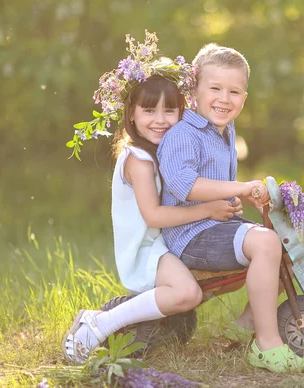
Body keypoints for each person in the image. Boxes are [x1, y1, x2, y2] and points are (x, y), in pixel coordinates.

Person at [62, 33, 240, 364]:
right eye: (149, 111)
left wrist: (225, 205)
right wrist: (208, 209)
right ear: (131, 114)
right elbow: (154, 217)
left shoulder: (162, 152)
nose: (160, 120)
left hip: (167, 240)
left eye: (169, 111)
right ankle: (97, 324)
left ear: (181, 113)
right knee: (187, 293)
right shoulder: (138, 161)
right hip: (145, 248)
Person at [157, 43, 304, 373]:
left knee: (280, 244)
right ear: (193, 91)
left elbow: (218, 186)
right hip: (189, 236)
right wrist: (241, 188)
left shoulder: (225, 131)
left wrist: (237, 203)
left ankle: (242, 328)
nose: (224, 99)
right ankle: (267, 345)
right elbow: (186, 186)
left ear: (245, 98)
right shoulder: (183, 134)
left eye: (234, 91)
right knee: (266, 243)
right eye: (214, 88)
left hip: (214, 227)